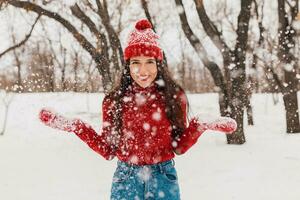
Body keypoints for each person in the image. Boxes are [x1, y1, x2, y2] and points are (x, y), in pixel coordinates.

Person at [39, 19, 237, 200]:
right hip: (126, 179)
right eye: (136, 63)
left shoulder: (173, 96)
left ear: (159, 64)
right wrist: (77, 127)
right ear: (128, 65)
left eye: (149, 62)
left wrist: (199, 126)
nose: (143, 71)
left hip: (163, 178)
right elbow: (108, 150)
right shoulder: (114, 100)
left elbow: (178, 146)